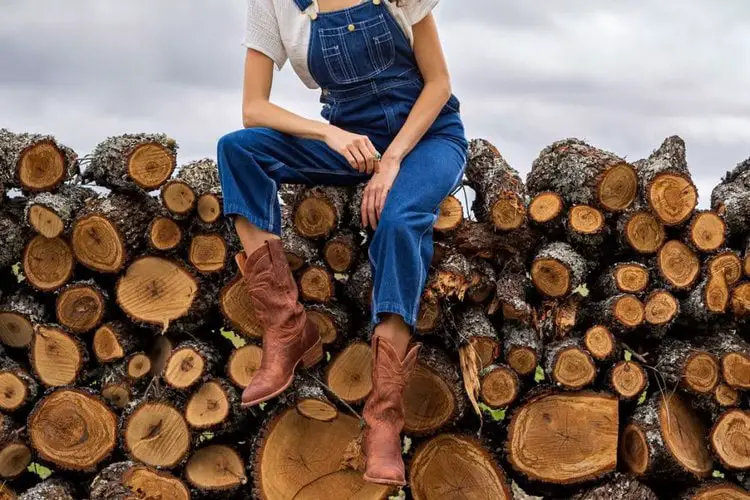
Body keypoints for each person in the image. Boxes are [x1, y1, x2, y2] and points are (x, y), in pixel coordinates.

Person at [217, 0, 467, 486]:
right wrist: (328, 133)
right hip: (349, 139)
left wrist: (393, 160)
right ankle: (287, 329)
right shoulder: (273, 4)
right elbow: (253, 108)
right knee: (237, 151)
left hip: (426, 138)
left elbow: (439, 84)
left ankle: (384, 418)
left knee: (398, 221)